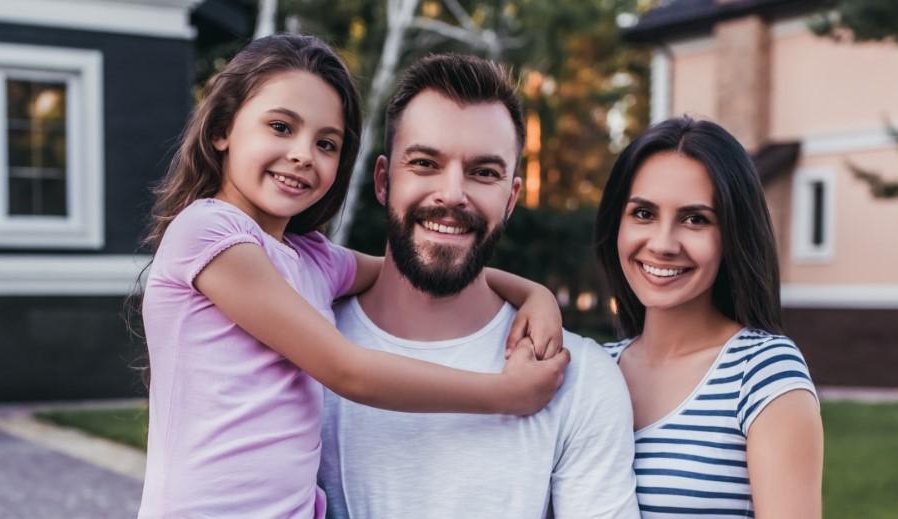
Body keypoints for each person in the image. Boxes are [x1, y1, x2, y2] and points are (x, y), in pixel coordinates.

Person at [137, 34, 571, 518]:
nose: (303, 154)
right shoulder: (207, 233)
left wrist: (534, 295)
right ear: (222, 128)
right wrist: (505, 395)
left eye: (326, 143)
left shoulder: (313, 259)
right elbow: (349, 370)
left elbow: (412, 265)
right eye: (281, 127)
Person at [317, 53, 640, 519]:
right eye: (426, 163)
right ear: (384, 181)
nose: (452, 194)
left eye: (484, 172)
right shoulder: (306, 352)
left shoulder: (576, 379)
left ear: (511, 199)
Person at [593, 117, 824, 518]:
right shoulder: (592, 369)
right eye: (643, 214)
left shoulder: (762, 372)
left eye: (695, 219)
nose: (663, 244)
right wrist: (532, 296)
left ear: (732, 233)